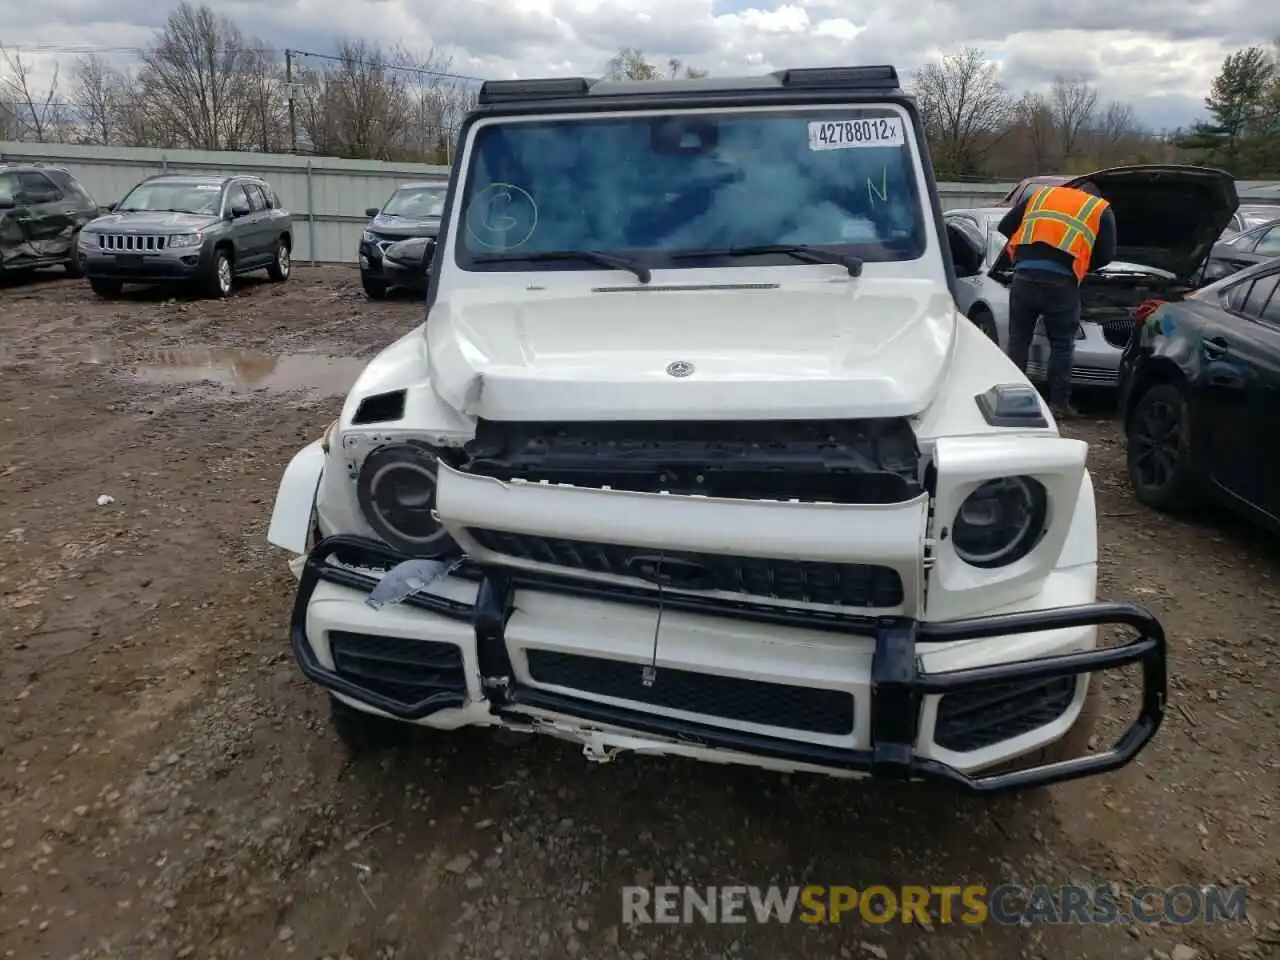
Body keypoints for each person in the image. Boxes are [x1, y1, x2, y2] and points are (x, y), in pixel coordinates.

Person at [996, 180, 1117, 419]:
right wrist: (1080, 265)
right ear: (1094, 194)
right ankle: (1059, 404)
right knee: (1062, 345)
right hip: (1061, 284)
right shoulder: (1099, 208)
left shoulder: (1042, 196)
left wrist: (1027, 251)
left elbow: (1004, 226)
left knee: (1019, 340)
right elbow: (1106, 255)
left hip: (1024, 276)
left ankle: (1013, 398)